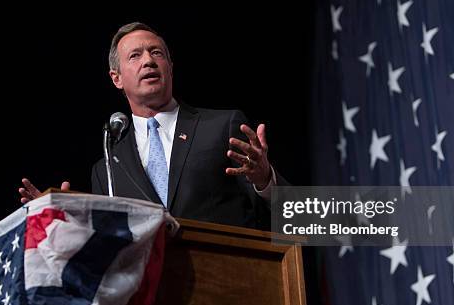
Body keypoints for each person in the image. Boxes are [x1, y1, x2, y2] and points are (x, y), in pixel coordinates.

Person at [19, 22, 284, 228]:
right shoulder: (108, 169)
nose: (148, 60)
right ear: (117, 78)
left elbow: (298, 216)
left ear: (170, 67)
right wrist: (59, 222)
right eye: (135, 56)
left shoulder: (221, 127)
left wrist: (264, 180)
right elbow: (105, 248)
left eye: (156, 52)